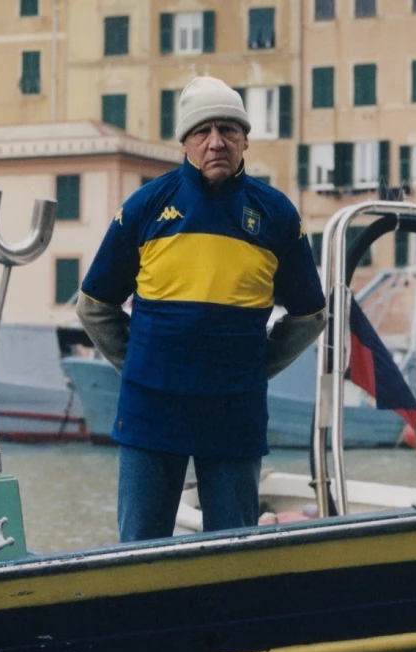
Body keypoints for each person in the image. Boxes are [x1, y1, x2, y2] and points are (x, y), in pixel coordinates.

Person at [77, 76, 327, 542]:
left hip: (234, 414)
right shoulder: (145, 207)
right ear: (186, 142)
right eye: (203, 131)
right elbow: (94, 306)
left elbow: (310, 315)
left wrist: (255, 365)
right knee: (137, 552)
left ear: (245, 139)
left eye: (229, 130)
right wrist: (138, 364)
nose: (216, 142)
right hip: (151, 412)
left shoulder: (276, 215)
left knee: (234, 556)